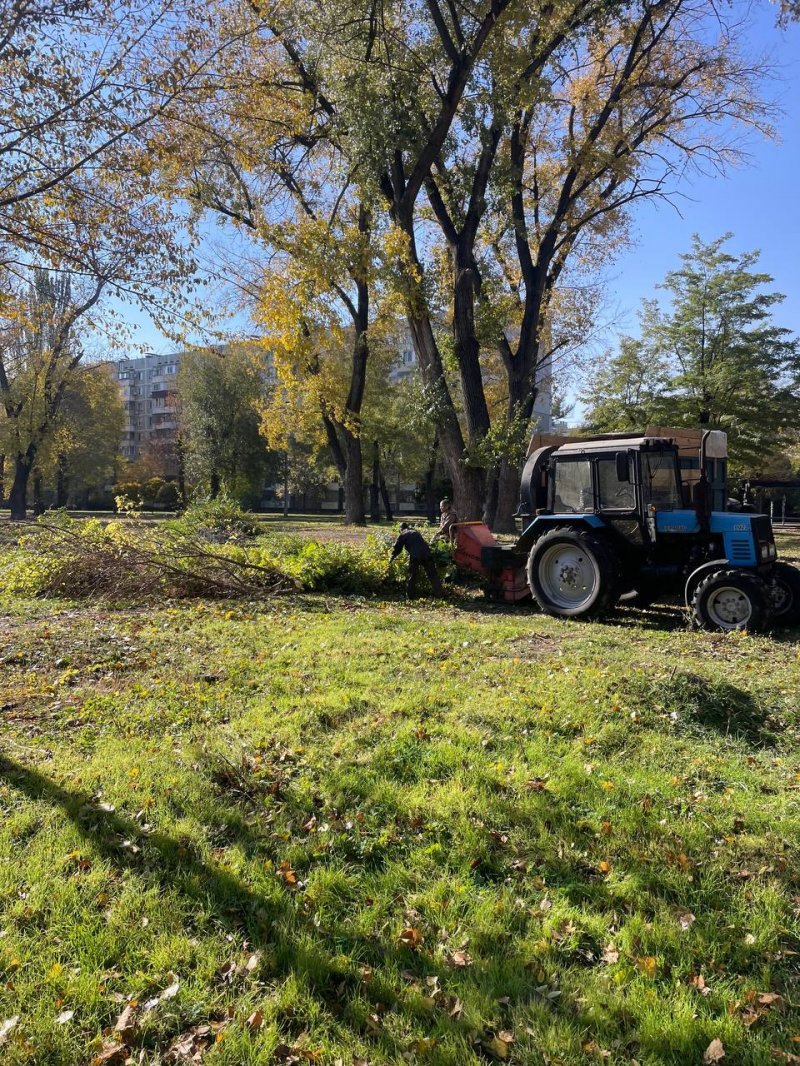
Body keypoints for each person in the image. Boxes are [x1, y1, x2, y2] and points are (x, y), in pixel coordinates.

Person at [390, 522, 444, 598]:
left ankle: (410, 596)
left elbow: (397, 548)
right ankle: (440, 595)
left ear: (401, 529)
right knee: (433, 575)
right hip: (427, 553)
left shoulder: (403, 533)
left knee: (412, 575)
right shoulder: (415, 532)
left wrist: (392, 557)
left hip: (415, 556)